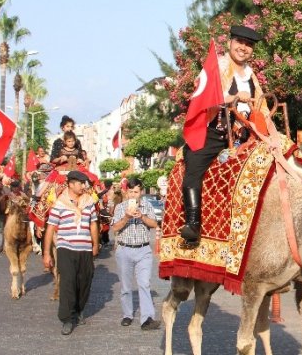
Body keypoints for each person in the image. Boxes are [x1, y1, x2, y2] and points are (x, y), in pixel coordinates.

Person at [180, 25, 269, 246]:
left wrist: (268, 131)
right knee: (193, 165)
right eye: (240, 42)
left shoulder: (252, 76)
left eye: (248, 45)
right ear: (230, 43)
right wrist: (234, 97)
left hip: (245, 135)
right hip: (215, 132)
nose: (243, 48)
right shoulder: (216, 67)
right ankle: (193, 223)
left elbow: (262, 107)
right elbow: (202, 97)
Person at [42, 170, 100, 335]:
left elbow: (93, 224)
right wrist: (47, 253)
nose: (84, 186)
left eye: (84, 183)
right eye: (81, 183)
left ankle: (79, 309)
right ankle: (66, 318)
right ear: (71, 184)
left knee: (85, 281)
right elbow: (50, 228)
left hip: (85, 249)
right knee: (67, 283)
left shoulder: (89, 202)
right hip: (66, 248)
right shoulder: (59, 204)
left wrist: (95, 244)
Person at [111, 178, 161, 330]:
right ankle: (127, 314)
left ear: (141, 193)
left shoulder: (147, 205)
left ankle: (147, 318)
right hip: (124, 249)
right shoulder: (120, 207)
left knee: (144, 284)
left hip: (143, 249)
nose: (134, 195)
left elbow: (155, 224)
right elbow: (114, 228)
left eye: (137, 192)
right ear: (127, 193)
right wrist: (126, 217)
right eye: (131, 192)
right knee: (126, 286)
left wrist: (142, 217)